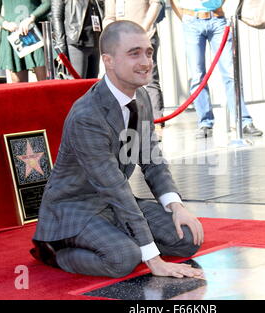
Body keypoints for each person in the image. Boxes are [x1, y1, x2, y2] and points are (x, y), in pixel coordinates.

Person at [31, 20, 204, 279]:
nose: (146, 62)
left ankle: (120, 235)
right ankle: (54, 250)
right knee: (124, 257)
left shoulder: (141, 98)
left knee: (187, 238)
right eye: (134, 53)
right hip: (75, 208)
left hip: (111, 203)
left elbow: (152, 160)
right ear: (109, 61)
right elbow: (114, 186)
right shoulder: (87, 115)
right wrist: (153, 259)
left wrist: (176, 205)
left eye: (148, 52)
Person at [170, 0, 263, 139]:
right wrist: (184, 17)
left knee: (231, 73)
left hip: (217, 19)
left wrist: (227, 10)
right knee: (197, 75)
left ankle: (243, 121)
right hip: (192, 21)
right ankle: (205, 123)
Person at [103, 0, 166, 137]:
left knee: (150, 80)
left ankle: (156, 122)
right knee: (122, 83)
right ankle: (128, 125)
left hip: (145, 38)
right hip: (121, 44)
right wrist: (112, 36)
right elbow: (109, 17)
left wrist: (140, 32)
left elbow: (156, 4)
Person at [0, 0, 50, 83]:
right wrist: (5, 24)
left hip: (36, 32)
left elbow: (48, 3)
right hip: (13, 34)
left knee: (45, 81)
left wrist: (31, 18)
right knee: (19, 85)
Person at [51, 0, 104, 79]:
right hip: (76, 42)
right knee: (78, 83)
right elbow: (57, 17)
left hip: (95, 40)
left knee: (93, 85)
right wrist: (61, 48)